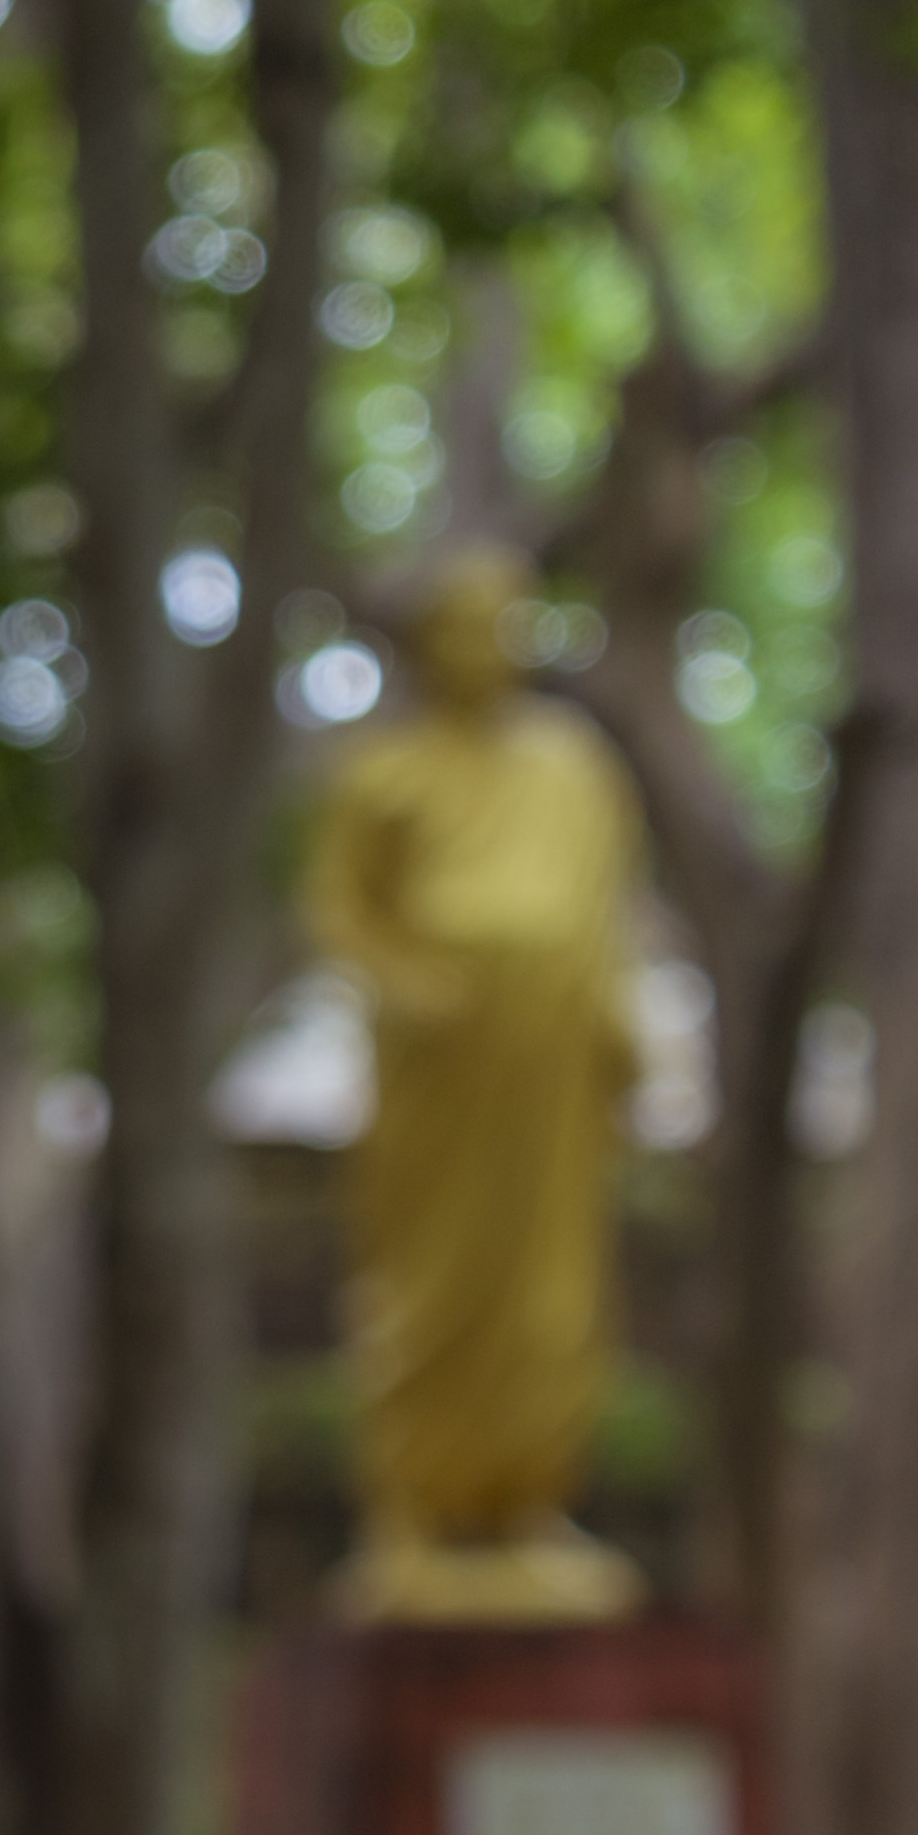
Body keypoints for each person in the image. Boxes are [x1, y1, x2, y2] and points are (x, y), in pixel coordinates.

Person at [295, 546, 648, 1623]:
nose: (482, 647)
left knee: (548, 1282)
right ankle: (409, 1509)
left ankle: (525, 1504)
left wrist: (617, 1026)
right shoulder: (382, 775)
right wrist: (409, 988)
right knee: (430, 1276)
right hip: (437, 1072)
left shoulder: (574, 770)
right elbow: (340, 914)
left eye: (502, 623)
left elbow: (605, 915)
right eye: (458, 626)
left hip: (546, 1064)